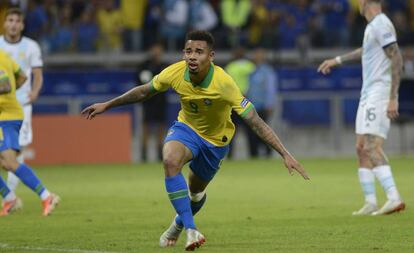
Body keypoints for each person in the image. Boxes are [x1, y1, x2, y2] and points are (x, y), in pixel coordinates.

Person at [82, 30, 309, 250]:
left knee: (196, 193)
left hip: (216, 142)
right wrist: (107, 104)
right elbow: (144, 91)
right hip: (187, 130)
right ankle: (191, 229)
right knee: (170, 161)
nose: (192, 56)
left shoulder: (224, 83)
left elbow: (256, 121)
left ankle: (178, 225)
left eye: (199, 51)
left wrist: (285, 153)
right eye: (188, 51)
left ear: (211, 56)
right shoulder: (175, 72)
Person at [318, 0, 405, 216]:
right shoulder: (373, 26)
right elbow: (365, 51)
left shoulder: (381, 24)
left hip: (379, 92)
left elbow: (397, 58)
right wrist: (336, 60)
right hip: (368, 93)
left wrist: (393, 97)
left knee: (371, 146)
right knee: (360, 147)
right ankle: (370, 201)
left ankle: (394, 197)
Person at [0, 49, 60, 216]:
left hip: (7, 117)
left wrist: (8, 97)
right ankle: (9, 198)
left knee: (10, 162)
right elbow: (22, 78)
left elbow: (5, 85)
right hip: (6, 113)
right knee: (5, 163)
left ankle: (47, 196)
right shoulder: (4, 55)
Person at [0, 8, 44, 201]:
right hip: (2, 107)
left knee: (17, 149)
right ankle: (11, 196)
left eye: (17, 21)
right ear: (4, 23)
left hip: (21, 106)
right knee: (8, 154)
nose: (13, 24)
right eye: (10, 20)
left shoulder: (31, 46)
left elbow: (37, 74)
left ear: (22, 25)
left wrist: (34, 92)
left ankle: (10, 195)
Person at [136, 43, 167, 161]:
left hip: (160, 101)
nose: (157, 52)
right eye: (155, 49)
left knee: (161, 127)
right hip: (147, 101)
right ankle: (143, 154)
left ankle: (160, 154)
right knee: (146, 127)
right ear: (151, 50)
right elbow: (138, 82)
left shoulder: (164, 67)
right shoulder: (143, 66)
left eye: (159, 50)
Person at [246, 48, 277, 158]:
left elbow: (270, 89)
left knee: (262, 132)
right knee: (251, 133)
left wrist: (269, 104)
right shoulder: (250, 70)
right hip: (250, 107)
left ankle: (268, 153)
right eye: (255, 54)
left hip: (262, 106)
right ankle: (253, 155)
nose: (257, 57)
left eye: (259, 55)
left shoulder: (267, 71)